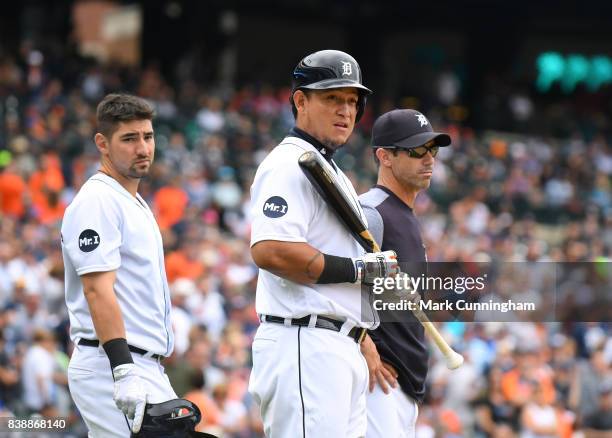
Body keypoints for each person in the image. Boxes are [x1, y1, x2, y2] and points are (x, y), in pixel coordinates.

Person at [247, 49, 398, 437]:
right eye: (332, 98)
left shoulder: (330, 168)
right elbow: (271, 250)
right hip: (305, 341)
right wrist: (360, 270)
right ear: (301, 100)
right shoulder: (288, 164)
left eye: (352, 101)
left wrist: (360, 334)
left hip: (337, 343)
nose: (345, 110)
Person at [61, 93, 176, 436]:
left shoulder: (131, 200)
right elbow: (97, 290)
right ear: (103, 143)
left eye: (148, 136)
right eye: (129, 138)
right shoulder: (98, 200)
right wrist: (123, 371)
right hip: (112, 364)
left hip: (144, 365)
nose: (142, 148)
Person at [359, 109, 451, 438]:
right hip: (378, 377)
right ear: (384, 156)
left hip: (402, 382)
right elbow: (332, 285)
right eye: (416, 151)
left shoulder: (404, 214)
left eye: (433, 150)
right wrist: (361, 342)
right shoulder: (371, 212)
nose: (429, 160)